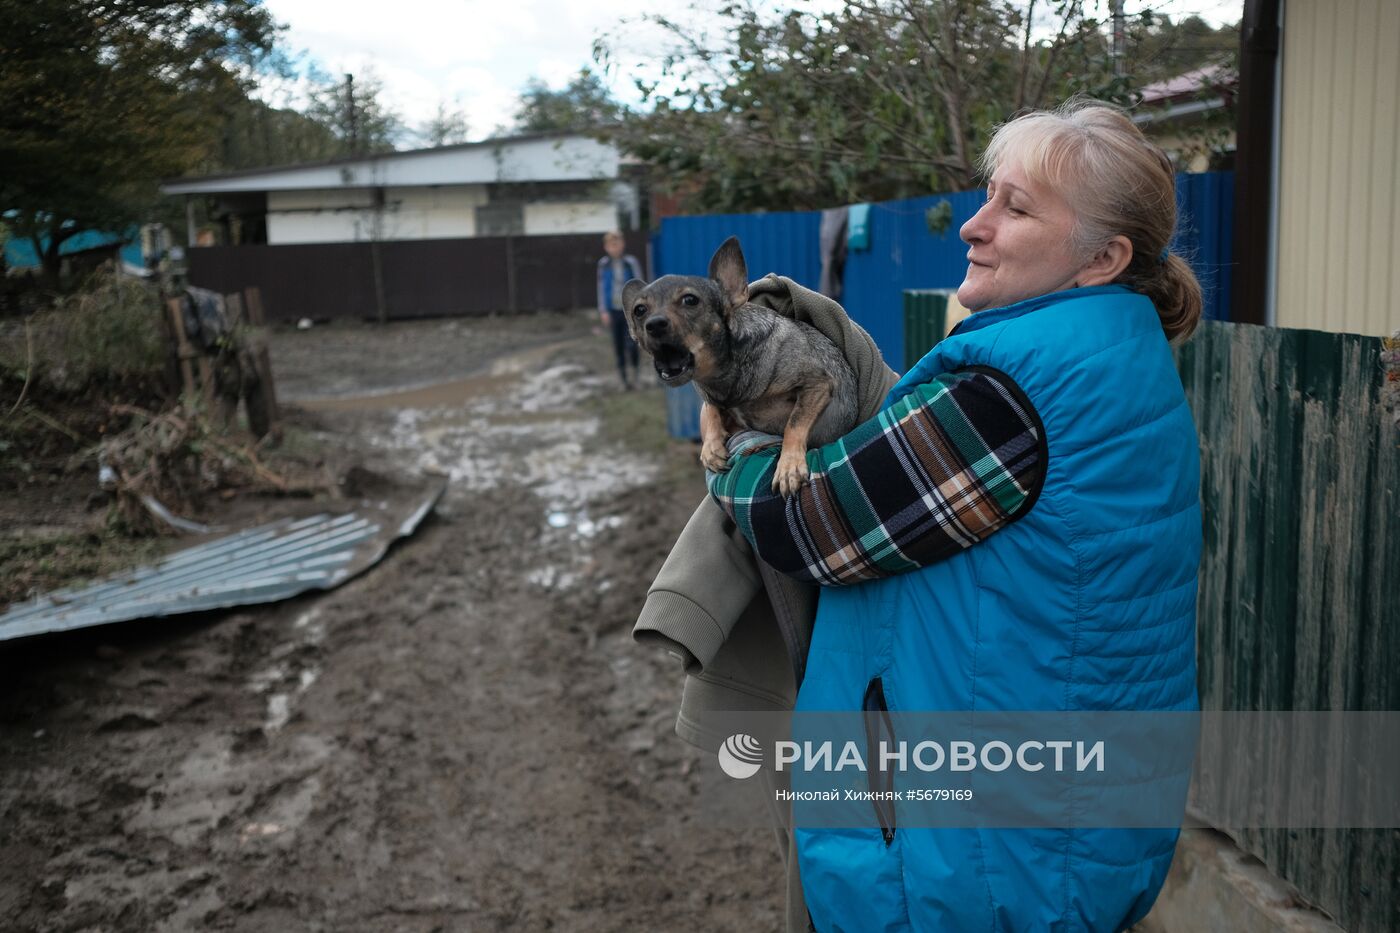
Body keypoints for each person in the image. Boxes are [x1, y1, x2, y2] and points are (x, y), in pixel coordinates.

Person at [700, 100, 1204, 931]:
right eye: (988, 195)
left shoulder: (1008, 396)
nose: (973, 225)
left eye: (1017, 208)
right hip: (1053, 833)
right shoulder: (1115, 357)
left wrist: (735, 453)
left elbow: (813, 524)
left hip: (971, 866)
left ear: (1101, 258)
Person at [596, 230, 643, 389]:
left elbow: (639, 286)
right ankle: (623, 380)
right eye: (611, 245)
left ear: (622, 244)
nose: (614, 248)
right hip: (613, 310)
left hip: (629, 311)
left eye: (617, 244)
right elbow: (601, 287)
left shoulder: (630, 262)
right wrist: (603, 310)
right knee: (618, 345)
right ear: (606, 247)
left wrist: (639, 309)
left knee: (633, 343)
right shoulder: (604, 264)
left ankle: (636, 376)